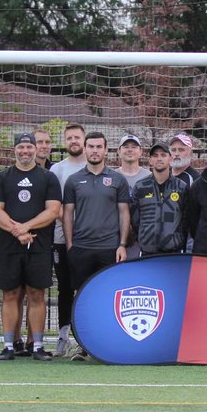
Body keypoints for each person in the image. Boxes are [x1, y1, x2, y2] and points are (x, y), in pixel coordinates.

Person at [0, 132, 62, 361]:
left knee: (36, 293)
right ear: (14, 150)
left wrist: (26, 227)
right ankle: (9, 346)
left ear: (36, 149)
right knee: (10, 294)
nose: (25, 151)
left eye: (29, 147)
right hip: (9, 245)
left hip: (38, 245)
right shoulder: (2, 178)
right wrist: (16, 231)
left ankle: (38, 346)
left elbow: (53, 211)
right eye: (21, 147)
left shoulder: (47, 177)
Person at [63, 132, 131, 359]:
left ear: (106, 151)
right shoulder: (73, 180)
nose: (94, 150)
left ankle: (109, 343)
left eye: (98, 146)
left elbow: (124, 213)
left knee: (109, 296)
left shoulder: (117, 180)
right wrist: (71, 245)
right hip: (81, 248)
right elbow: (67, 214)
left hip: (109, 248)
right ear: (84, 148)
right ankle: (83, 346)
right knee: (82, 298)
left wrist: (122, 244)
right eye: (90, 146)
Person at [49, 123, 87, 355]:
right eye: (69, 137)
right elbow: (55, 205)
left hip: (89, 239)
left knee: (85, 286)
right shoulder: (57, 170)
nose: (73, 141)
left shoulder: (94, 166)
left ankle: (85, 335)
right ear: (65, 142)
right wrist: (70, 223)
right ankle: (63, 336)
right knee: (64, 287)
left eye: (77, 137)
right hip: (62, 238)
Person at [131, 142, 189, 255]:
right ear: (150, 160)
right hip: (147, 253)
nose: (159, 159)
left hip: (174, 252)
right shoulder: (140, 187)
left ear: (170, 158)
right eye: (155, 155)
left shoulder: (181, 187)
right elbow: (135, 220)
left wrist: (178, 240)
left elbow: (186, 220)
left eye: (163, 155)